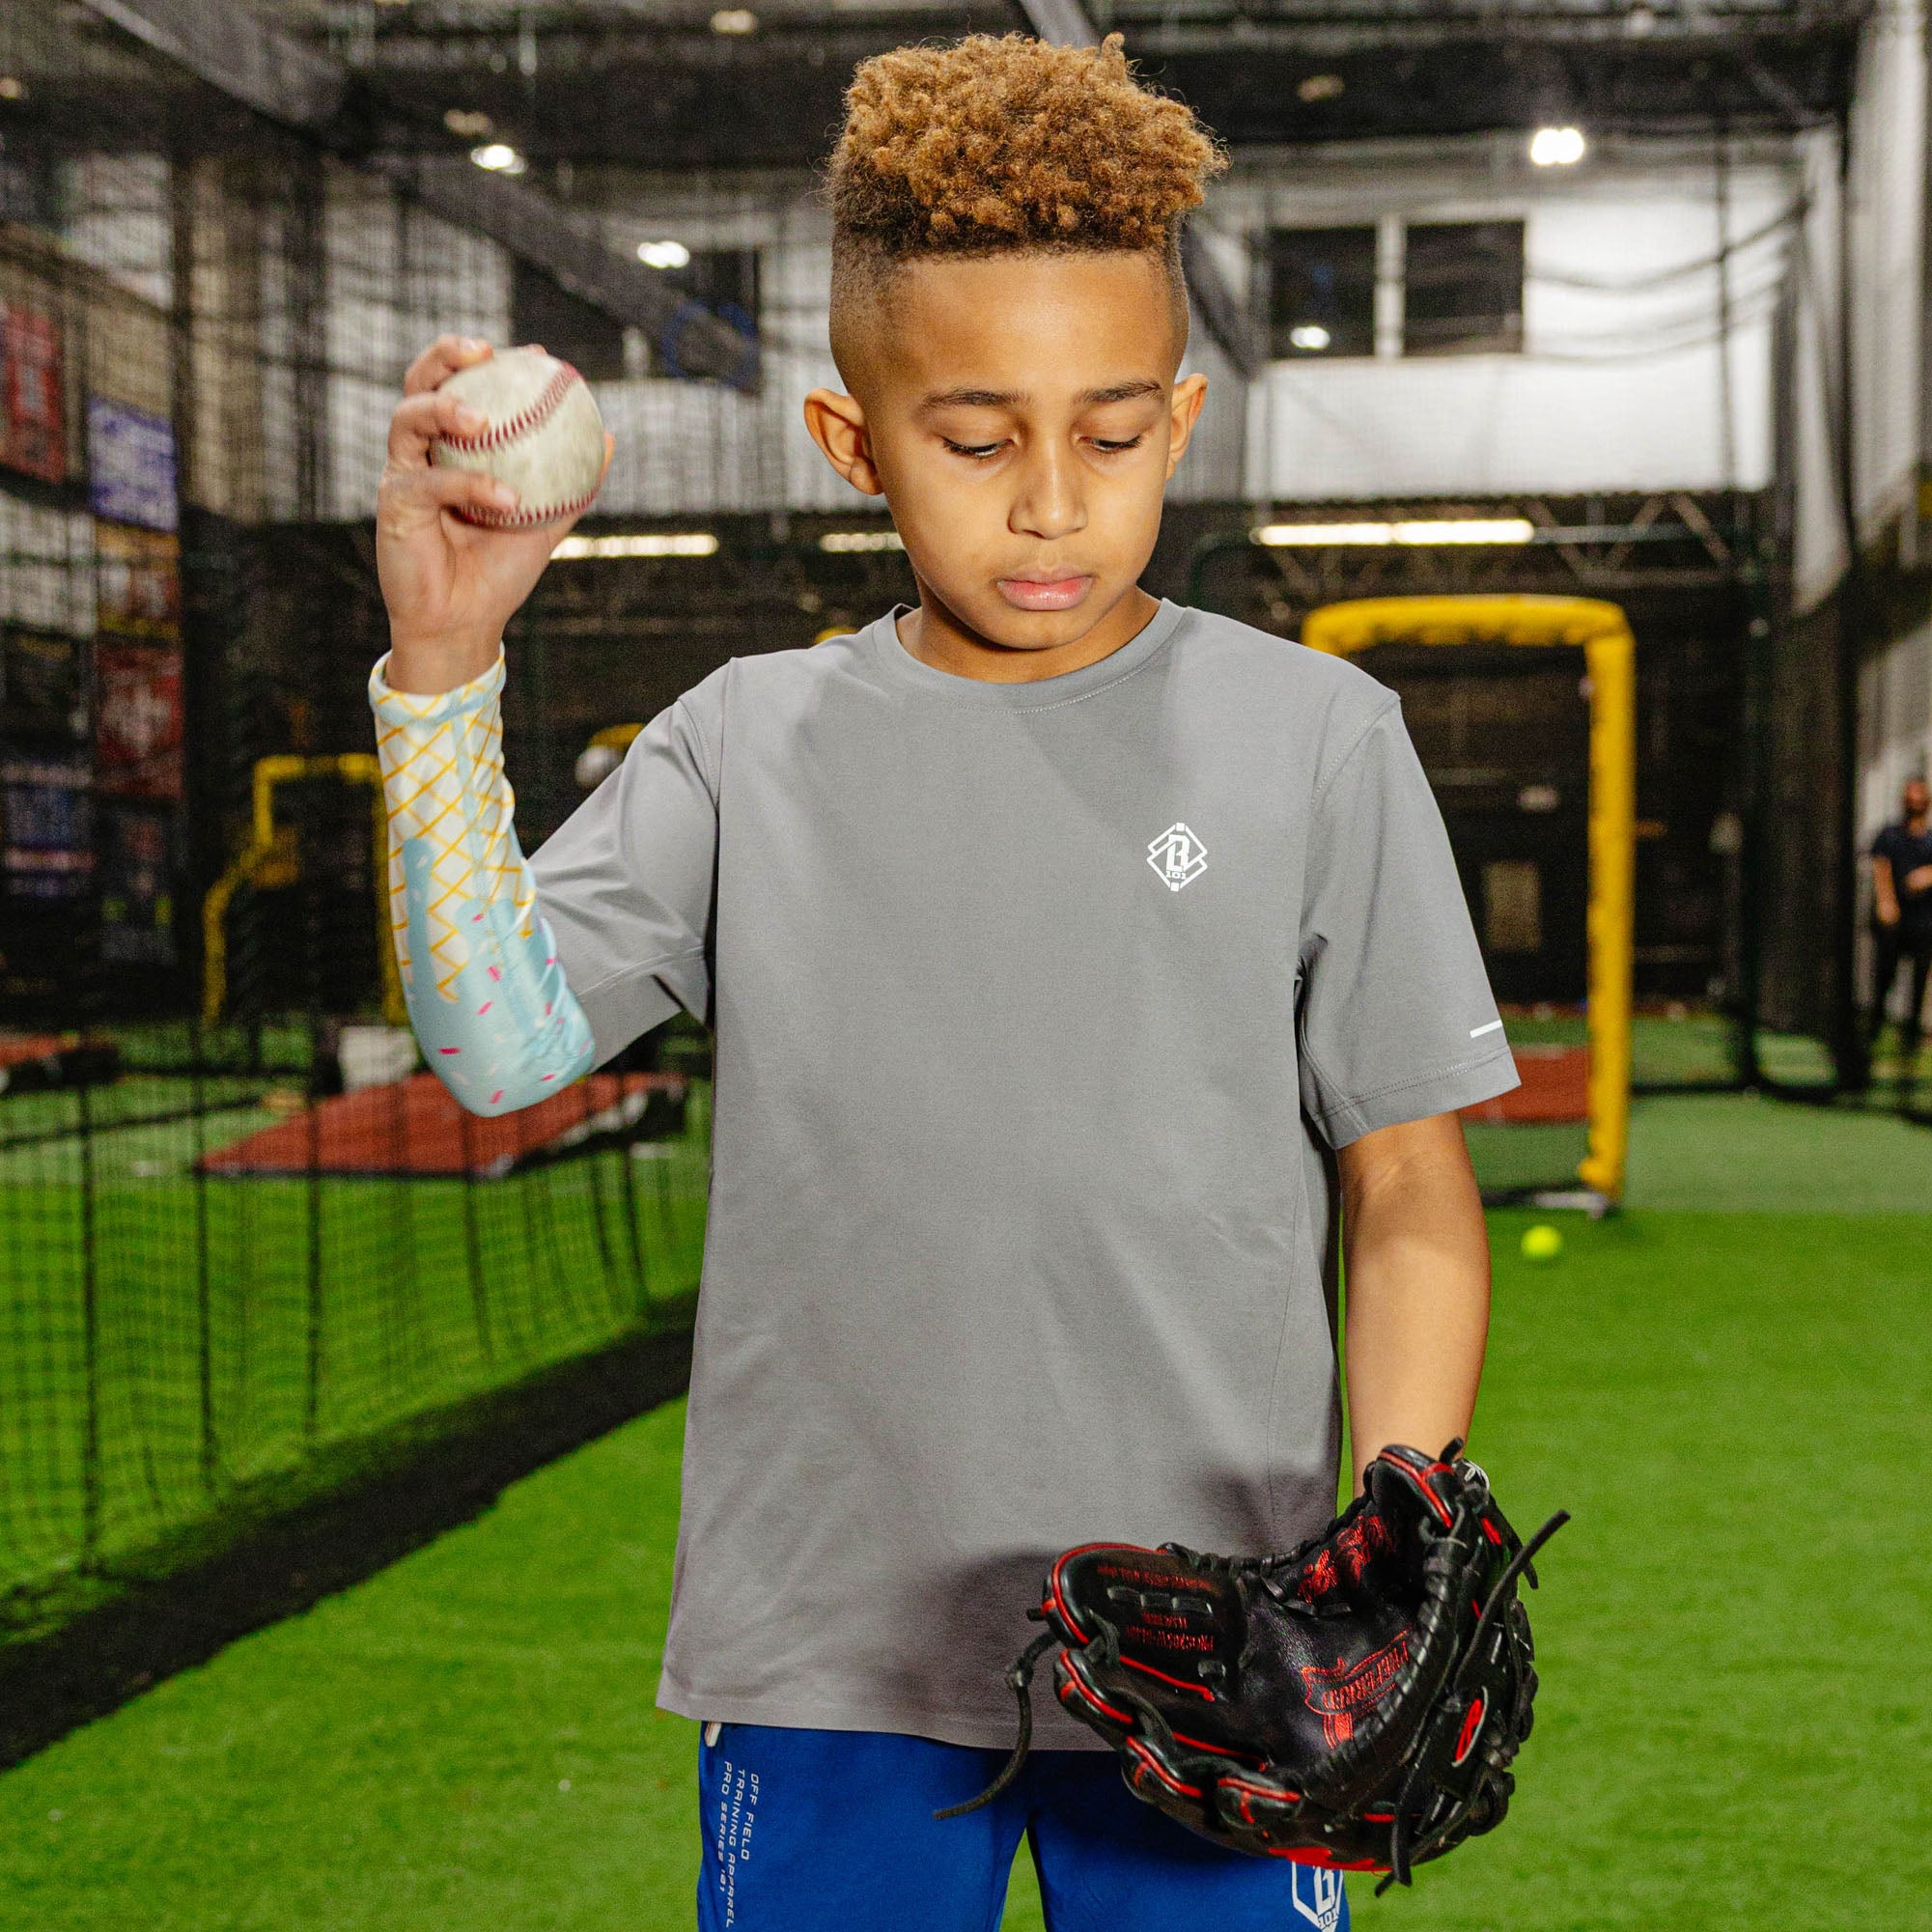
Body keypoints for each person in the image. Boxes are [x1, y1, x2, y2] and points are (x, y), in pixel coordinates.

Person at [368, 36, 1518, 1932]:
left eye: (1115, 429)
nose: (1051, 501)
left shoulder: (1315, 735)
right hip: (825, 1652)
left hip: (1227, 1652)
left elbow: (1405, 1184)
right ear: (856, 440)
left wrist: (1393, 1528)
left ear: (1186, 412)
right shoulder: (746, 739)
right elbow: (498, 1054)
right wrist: (441, 659)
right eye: (976, 439)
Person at [1867, 775, 1932, 1068]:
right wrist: (1886, 901)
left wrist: (1926, 875)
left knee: (1920, 979)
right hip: (1895, 921)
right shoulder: (1890, 835)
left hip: (1923, 921)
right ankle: (1873, 1031)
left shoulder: (1930, 840)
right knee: (1886, 975)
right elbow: (1880, 866)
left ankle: (1910, 1040)